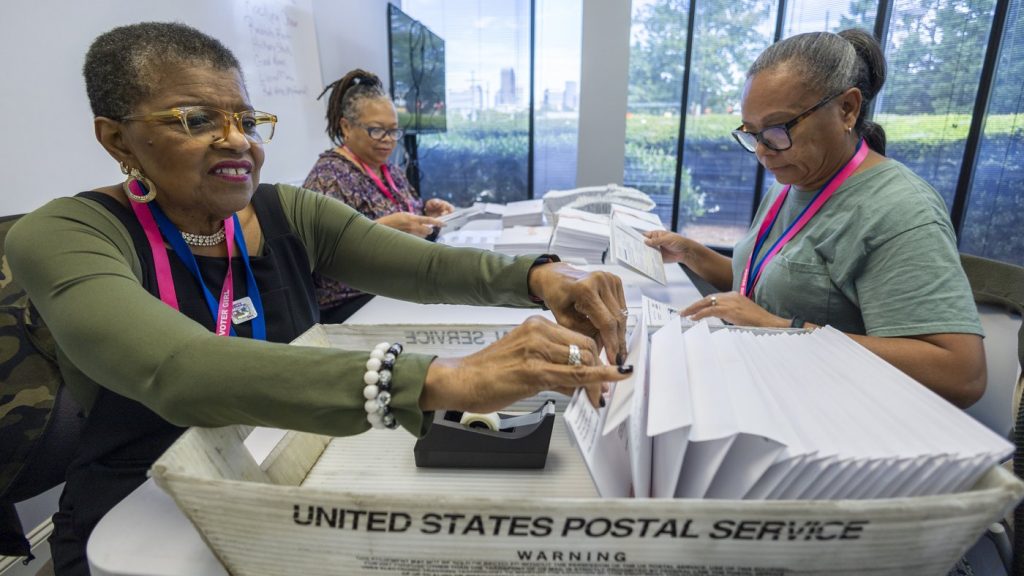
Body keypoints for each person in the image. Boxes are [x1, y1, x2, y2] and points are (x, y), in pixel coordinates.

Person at [4, 23, 630, 575]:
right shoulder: (64, 235)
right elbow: (178, 369)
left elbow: (430, 267)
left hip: (286, 470)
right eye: (196, 120)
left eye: (246, 121)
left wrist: (541, 277)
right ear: (117, 139)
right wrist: (447, 379)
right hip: (145, 513)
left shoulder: (286, 211)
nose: (236, 141)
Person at [645, 29, 985, 408]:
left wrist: (780, 329)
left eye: (778, 129)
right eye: (752, 133)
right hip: (770, 387)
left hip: (839, 414)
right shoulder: (792, 181)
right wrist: (693, 253)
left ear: (847, 109)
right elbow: (769, 285)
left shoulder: (899, 209)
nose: (762, 150)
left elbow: (962, 374)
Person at [304, 69, 455, 322]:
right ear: (346, 127)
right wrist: (380, 231)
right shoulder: (329, 176)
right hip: (353, 303)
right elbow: (318, 253)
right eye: (376, 130)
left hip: (397, 287)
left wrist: (427, 213)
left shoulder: (391, 171)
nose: (388, 140)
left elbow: (407, 215)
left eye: (393, 131)